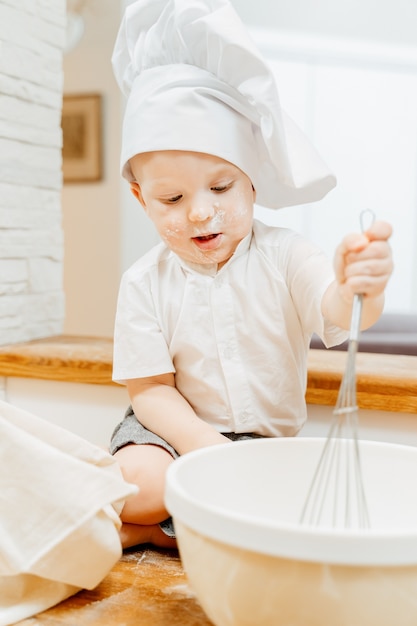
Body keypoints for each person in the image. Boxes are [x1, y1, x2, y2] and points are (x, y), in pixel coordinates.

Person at [109, 0, 393, 550]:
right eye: (172, 197)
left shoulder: (286, 255)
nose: (199, 212)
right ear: (142, 198)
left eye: (221, 188)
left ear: (253, 181)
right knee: (139, 487)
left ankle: (150, 535)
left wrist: (362, 286)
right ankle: (151, 520)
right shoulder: (145, 281)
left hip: (264, 444)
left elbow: (337, 310)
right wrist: (204, 448)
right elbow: (150, 393)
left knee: (275, 515)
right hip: (171, 433)